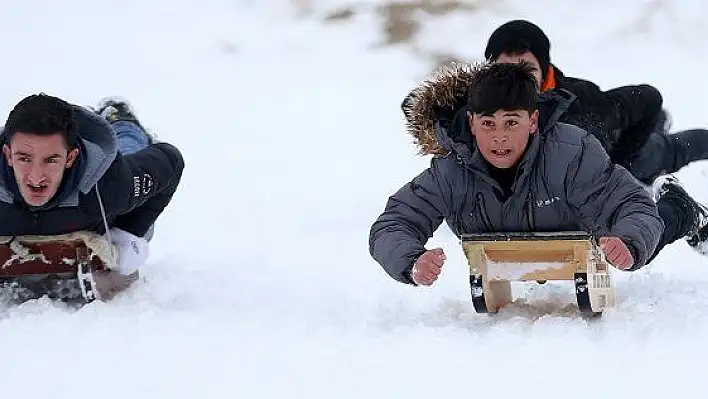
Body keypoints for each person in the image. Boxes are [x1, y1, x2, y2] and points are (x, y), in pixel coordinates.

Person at [371, 62, 707, 286]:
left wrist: (630, 243)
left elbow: (630, 203)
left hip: (589, 237)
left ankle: (680, 209)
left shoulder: (570, 153)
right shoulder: (452, 170)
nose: (499, 137)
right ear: (472, 124)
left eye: (511, 123)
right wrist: (410, 260)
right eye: (488, 125)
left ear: (532, 122)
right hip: (512, 253)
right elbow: (396, 220)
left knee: (638, 250)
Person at [0, 93, 184, 298]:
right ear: (8, 155)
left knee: (127, 149)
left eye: (51, 160)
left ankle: (121, 119)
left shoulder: (109, 182)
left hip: (106, 210)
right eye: (24, 158)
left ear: (70, 158)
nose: (35, 177)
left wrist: (130, 232)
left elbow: (171, 161)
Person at [480, 19, 708, 184]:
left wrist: (620, 167)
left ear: (545, 69)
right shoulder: (477, 105)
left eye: (527, 69)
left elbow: (649, 97)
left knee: (668, 150)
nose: (515, 79)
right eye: (504, 69)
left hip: (620, 148)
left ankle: (662, 127)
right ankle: (660, 122)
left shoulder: (582, 106)